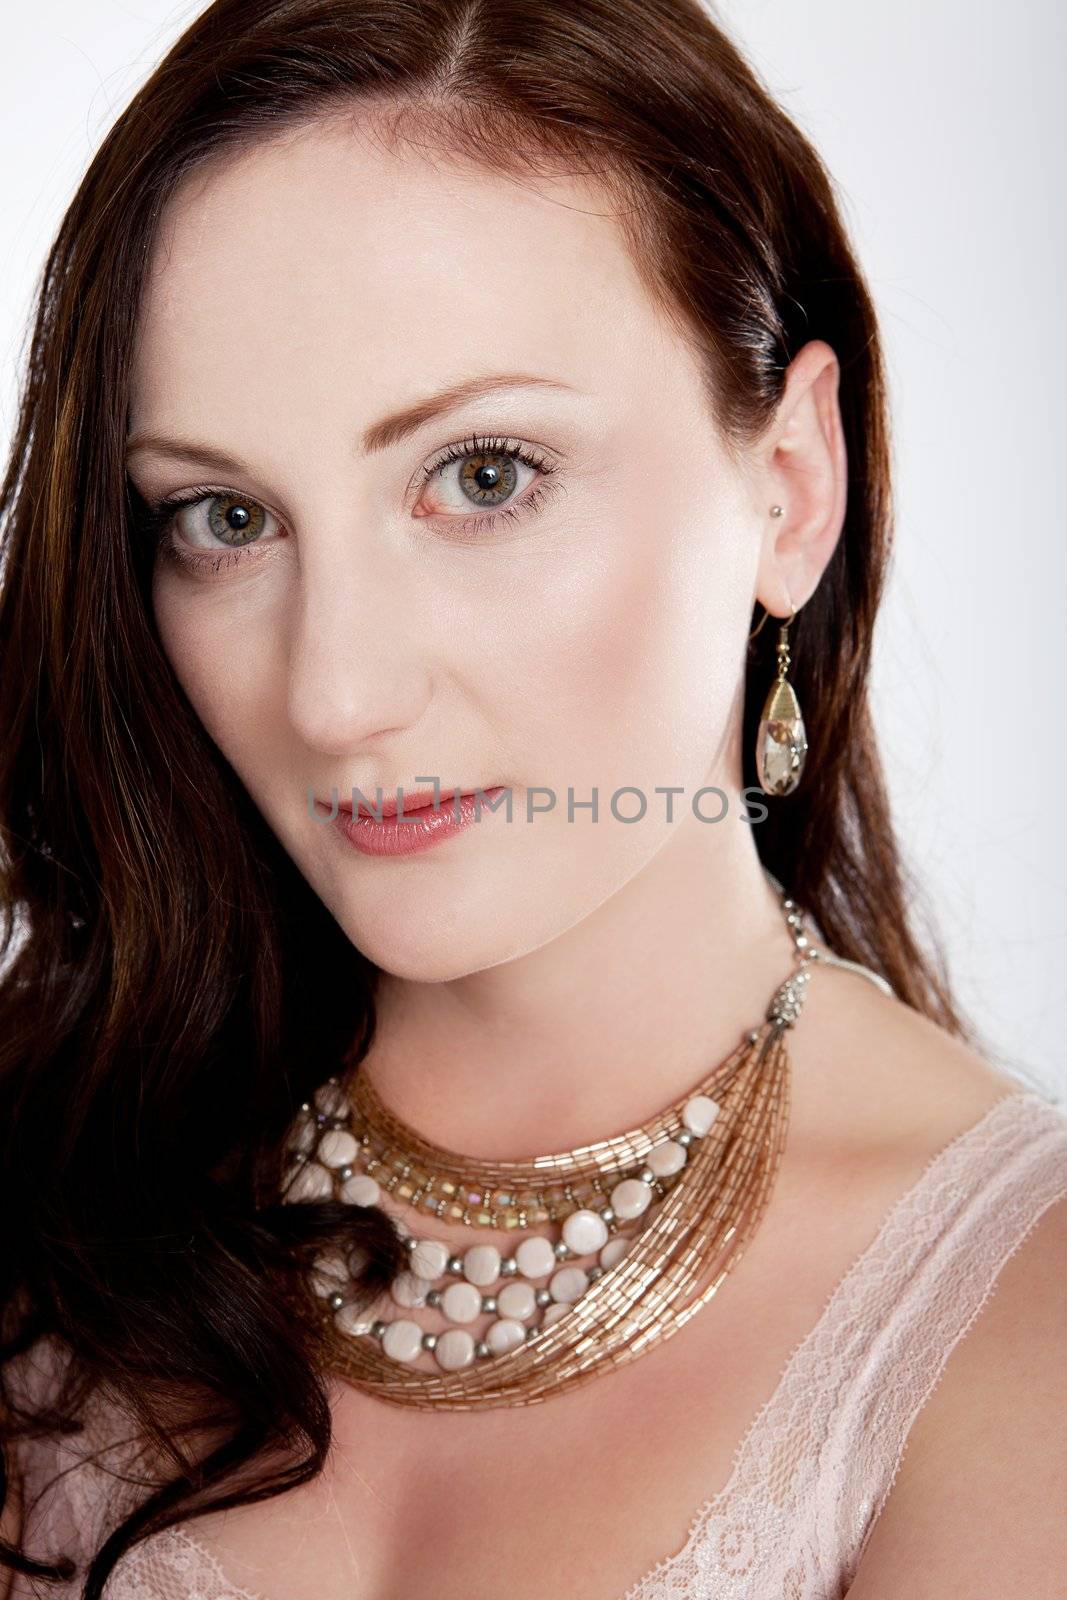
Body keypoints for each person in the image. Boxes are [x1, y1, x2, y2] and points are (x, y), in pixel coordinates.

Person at [1, 1, 1064, 1596]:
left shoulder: (1013, 1333)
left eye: (483, 476)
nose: (334, 693)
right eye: (225, 518)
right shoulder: (53, 1177)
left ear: (790, 489)